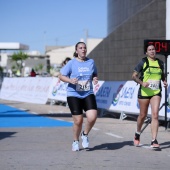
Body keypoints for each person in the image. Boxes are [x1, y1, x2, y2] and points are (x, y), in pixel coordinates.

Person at [58, 42, 98, 151]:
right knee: (78, 120)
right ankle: (75, 141)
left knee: (92, 116)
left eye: (84, 48)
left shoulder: (91, 62)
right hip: (74, 94)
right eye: (80, 48)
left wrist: (94, 78)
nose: (83, 50)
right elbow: (61, 76)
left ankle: (85, 134)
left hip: (87, 93)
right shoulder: (71, 63)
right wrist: (70, 80)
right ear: (76, 51)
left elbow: (94, 73)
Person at [132, 44, 168, 148]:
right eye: (150, 50)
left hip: (156, 92)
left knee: (155, 114)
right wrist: (142, 83)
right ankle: (137, 133)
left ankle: (154, 140)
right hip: (144, 92)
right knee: (142, 115)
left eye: (153, 49)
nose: (152, 51)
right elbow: (133, 76)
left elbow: (162, 76)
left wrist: (164, 82)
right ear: (146, 52)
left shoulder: (160, 63)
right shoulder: (143, 62)